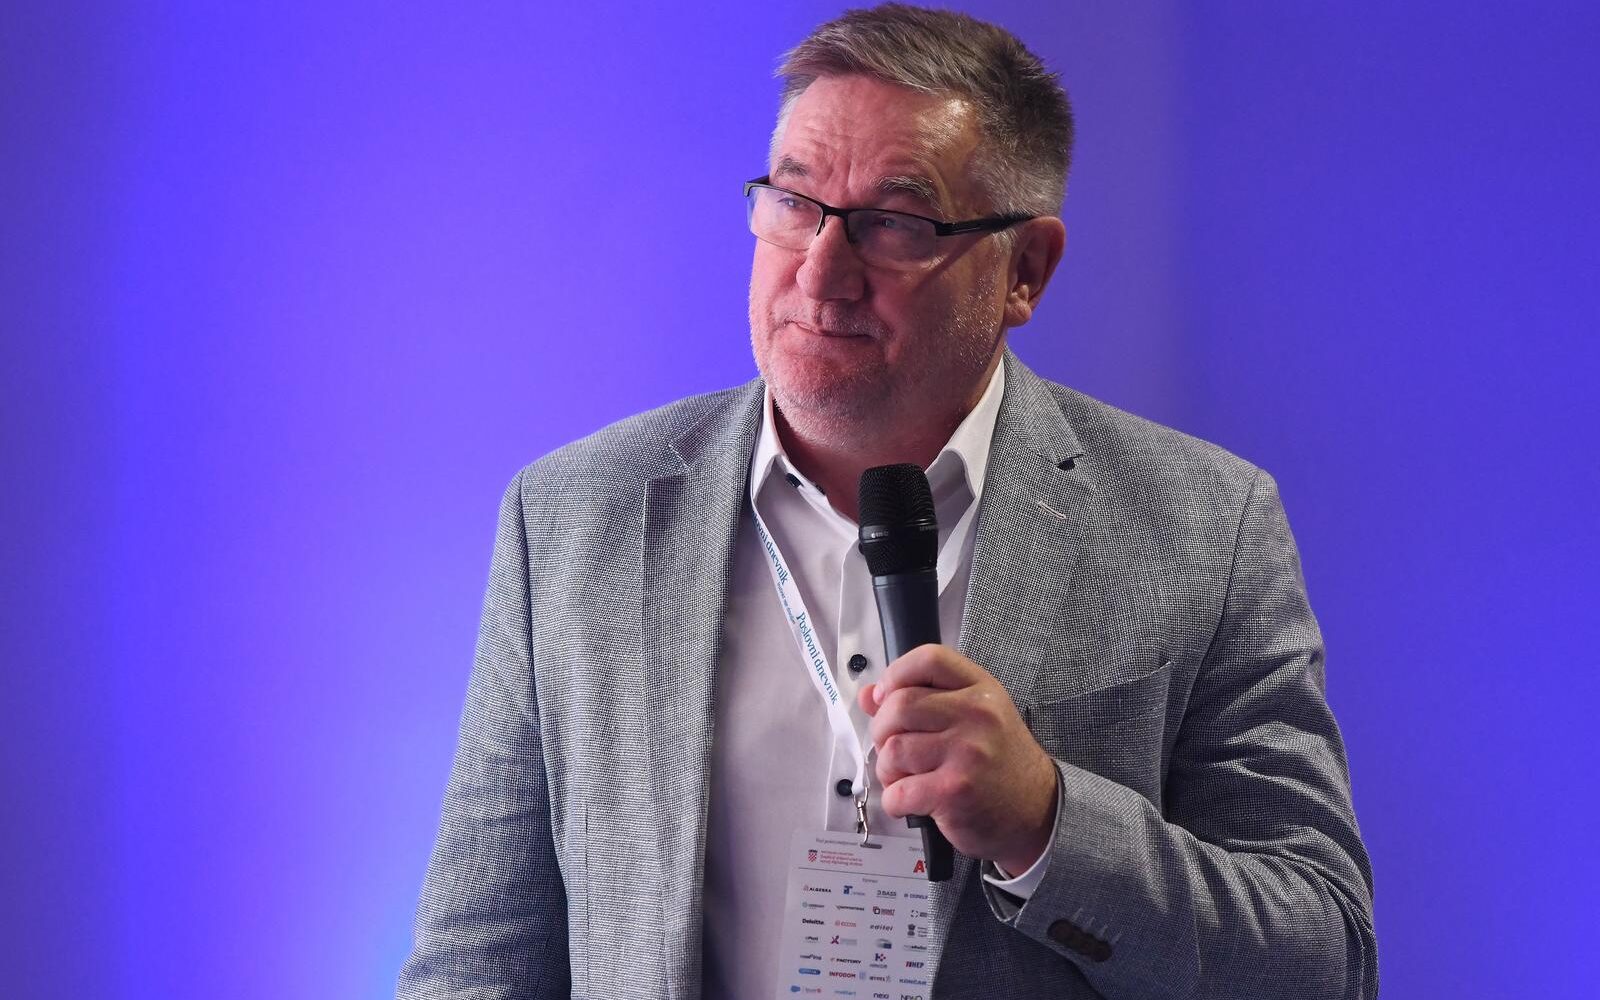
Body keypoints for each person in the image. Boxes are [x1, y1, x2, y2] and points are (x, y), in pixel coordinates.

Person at [396, 5, 1378, 999]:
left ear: (1025, 270)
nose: (821, 271)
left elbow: (1321, 959)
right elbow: (477, 962)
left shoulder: (1205, 528)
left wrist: (1046, 822)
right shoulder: (574, 517)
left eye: (894, 224)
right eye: (794, 202)